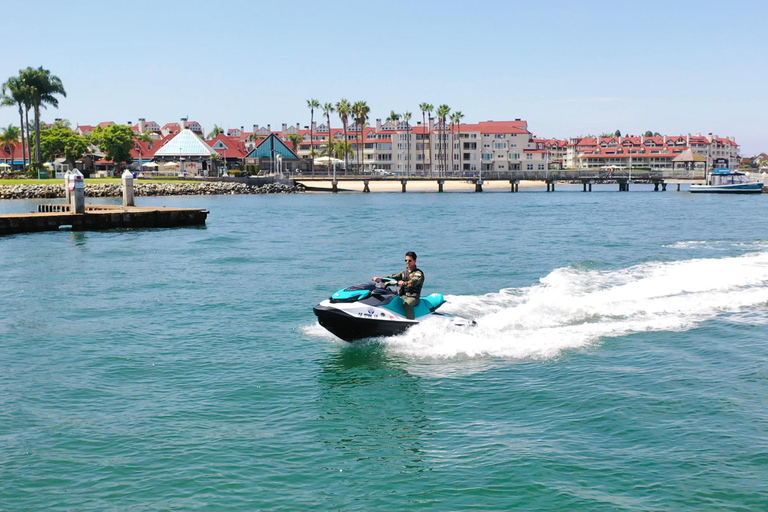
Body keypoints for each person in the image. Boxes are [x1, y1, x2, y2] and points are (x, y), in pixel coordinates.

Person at [373, 251, 424, 320]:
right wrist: (380, 278)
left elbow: (413, 281)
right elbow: (393, 277)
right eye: (406, 260)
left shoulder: (418, 273)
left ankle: (411, 322)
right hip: (402, 295)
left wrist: (404, 283)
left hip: (413, 297)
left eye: (410, 260)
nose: (407, 262)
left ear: (415, 261)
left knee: (407, 304)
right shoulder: (404, 272)